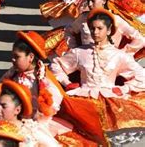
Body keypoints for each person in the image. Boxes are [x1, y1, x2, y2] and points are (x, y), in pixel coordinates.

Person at [51, 8, 145, 145]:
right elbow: (57, 64)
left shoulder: (118, 55)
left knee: (109, 138)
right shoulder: (79, 52)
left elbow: (141, 76)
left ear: (108, 30)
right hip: (83, 100)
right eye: (92, 29)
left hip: (110, 101)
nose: (95, 32)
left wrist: (124, 89)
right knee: (86, 137)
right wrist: (66, 83)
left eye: (99, 28)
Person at [64, 0, 144, 54]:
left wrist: (123, 53)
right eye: (88, 1)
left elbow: (140, 39)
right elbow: (69, 31)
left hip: (110, 65)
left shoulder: (116, 20)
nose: (89, 4)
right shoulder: (83, 18)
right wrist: (75, 49)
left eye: (93, 0)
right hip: (85, 64)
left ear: (104, 0)